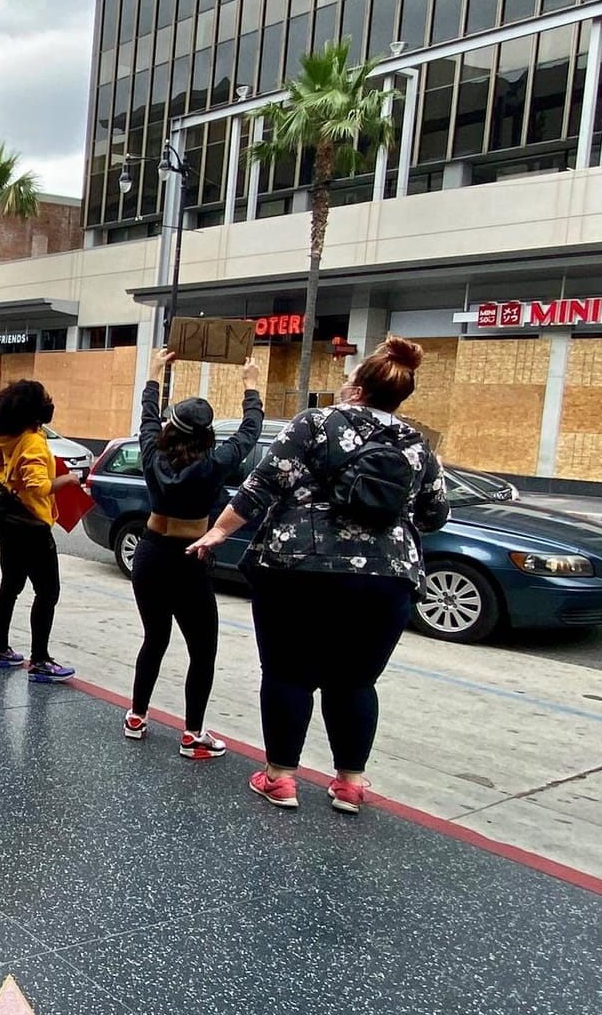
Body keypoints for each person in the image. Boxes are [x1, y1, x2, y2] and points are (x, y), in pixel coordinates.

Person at [189, 337, 448, 813]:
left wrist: (218, 533)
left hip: (297, 568)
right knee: (355, 681)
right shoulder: (416, 443)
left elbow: (262, 484)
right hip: (385, 577)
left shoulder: (314, 423)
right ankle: (350, 784)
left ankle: (281, 778)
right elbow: (434, 515)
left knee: (288, 674)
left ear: (358, 389)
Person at [127, 351, 263, 759]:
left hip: (149, 554)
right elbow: (249, 433)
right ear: (206, 435)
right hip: (189, 559)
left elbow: (148, 415)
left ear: (171, 429)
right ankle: (192, 735)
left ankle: (137, 716)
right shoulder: (215, 463)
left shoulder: (152, 454)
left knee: (154, 638)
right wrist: (250, 384)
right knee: (202, 650)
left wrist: (154, 373)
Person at [0, 380, 82, 682]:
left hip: (6, 519)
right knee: (48, 591)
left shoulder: (5, 436)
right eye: (46, 398)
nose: (50, 400)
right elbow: (40, 486)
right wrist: (69, 481)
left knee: (10, 584)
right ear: (36, 410)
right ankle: (41, 661)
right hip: (31, 525)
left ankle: (0, 649)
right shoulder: (32, 441)